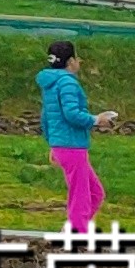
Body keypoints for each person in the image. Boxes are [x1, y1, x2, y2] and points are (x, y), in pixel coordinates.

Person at [39, 40, 109, 232]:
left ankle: (72, 230)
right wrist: (96, 119)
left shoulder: (50, 84)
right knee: (82, 196)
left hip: (63, 145)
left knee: (95, 193)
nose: (80, 61)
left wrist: (52, 144)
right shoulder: (68, 82)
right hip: (72, 145)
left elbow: (46, 116)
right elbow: (71, 114)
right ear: (70, 62)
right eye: (77, 58)